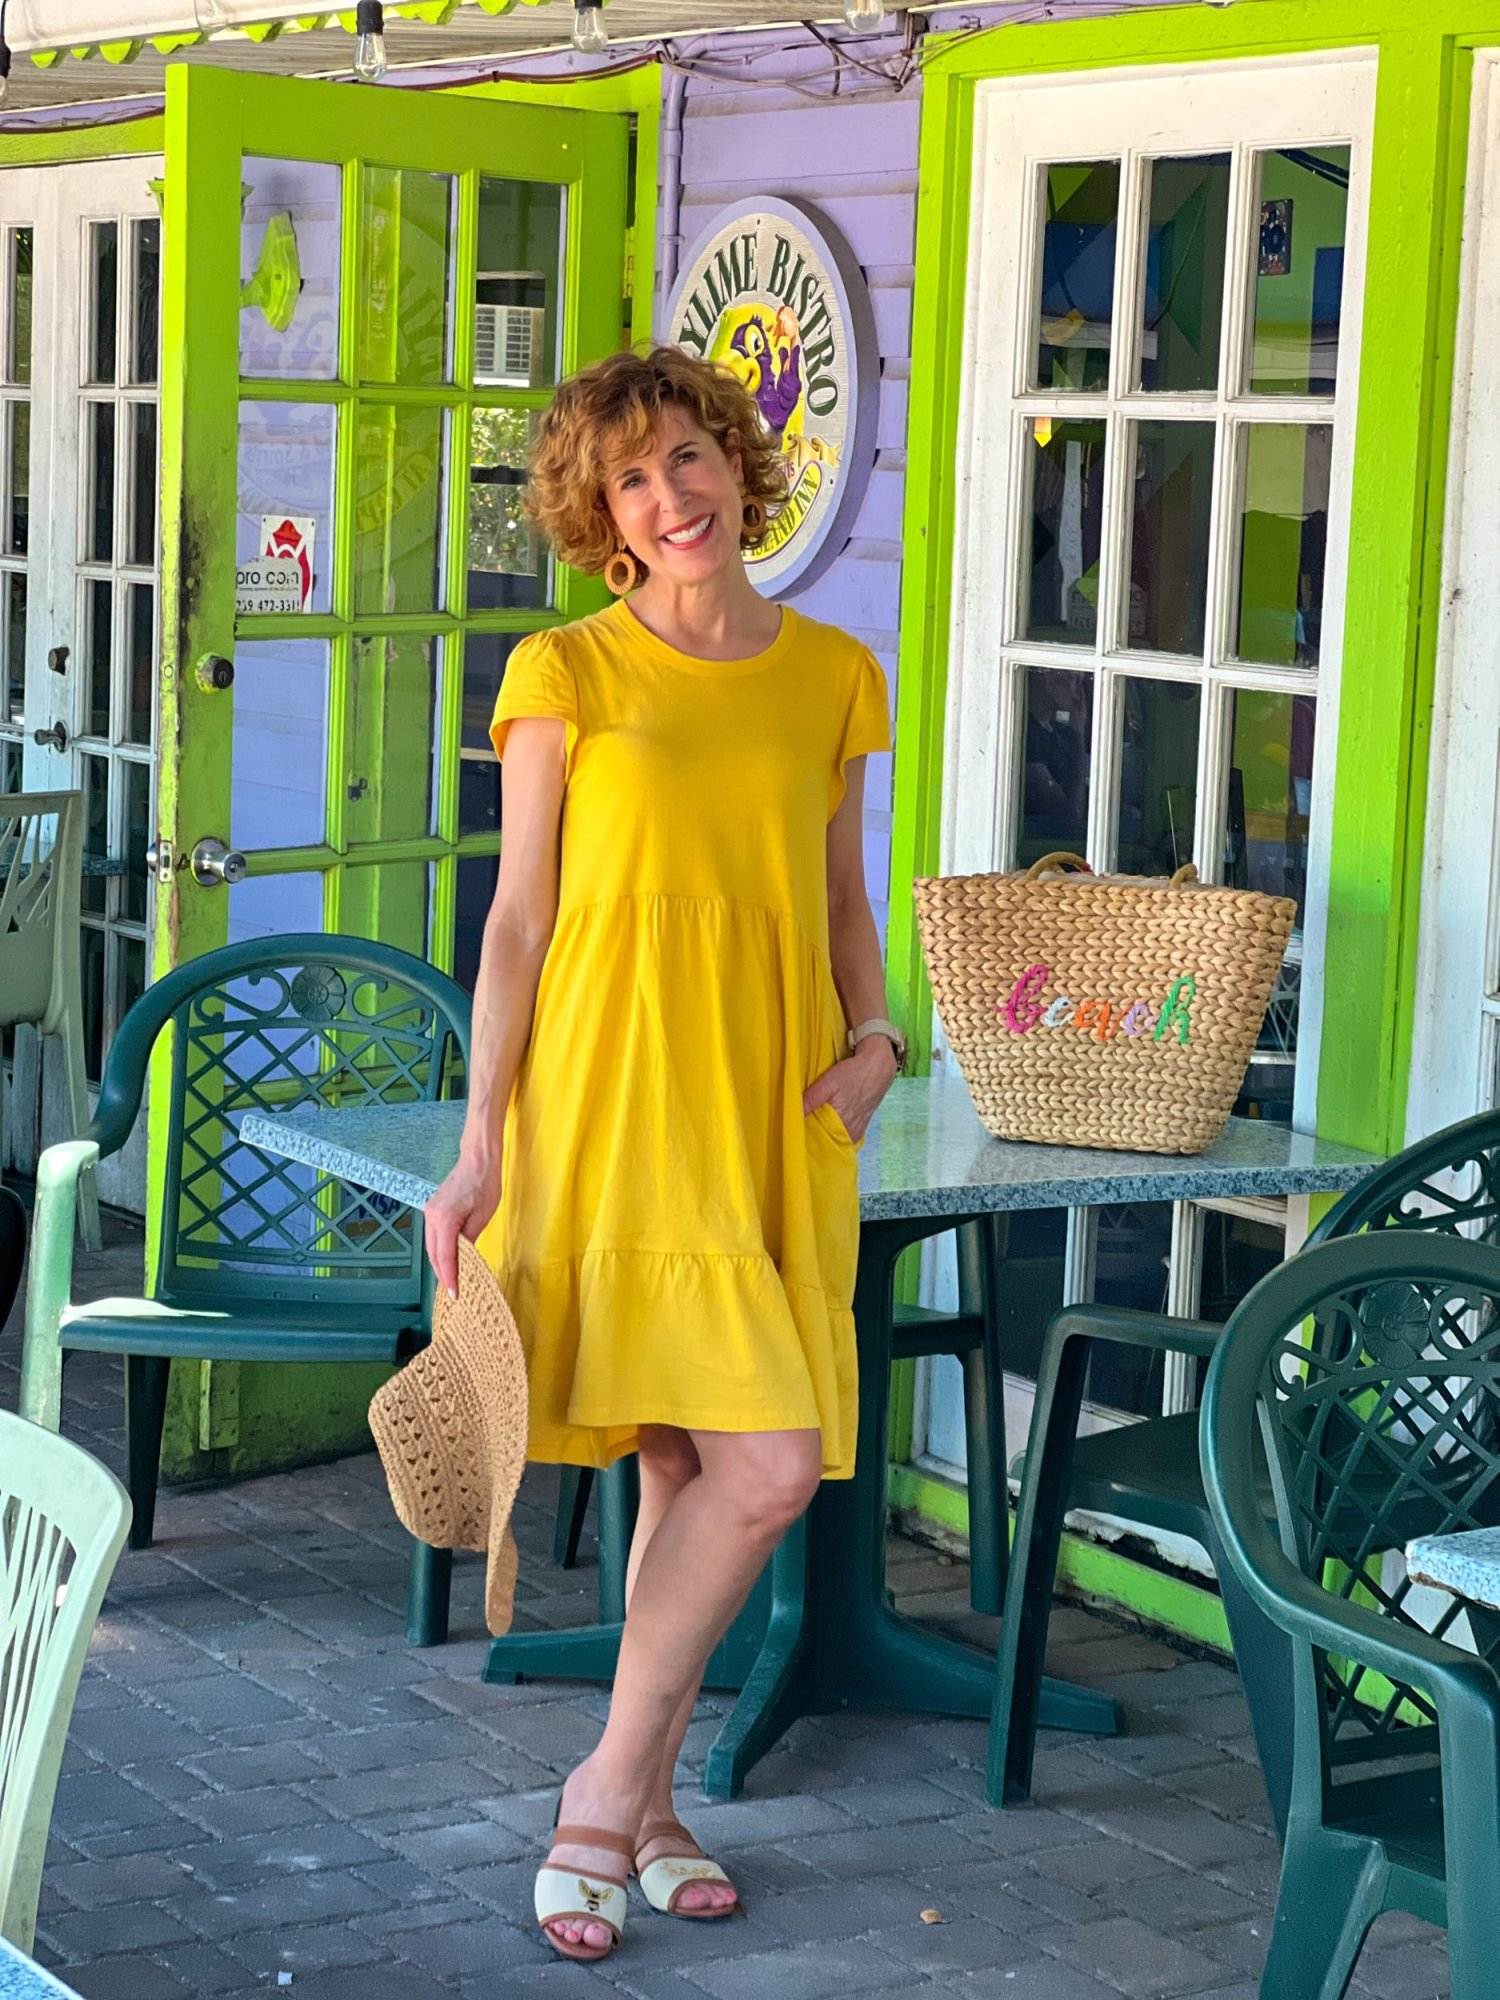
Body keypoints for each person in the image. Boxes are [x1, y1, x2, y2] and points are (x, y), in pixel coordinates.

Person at [423, 344, 903, 1964]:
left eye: (689, 458)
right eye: (631, 477)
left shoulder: (832, 669)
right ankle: (628, 1790)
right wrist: (481, 1141)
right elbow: (519, 920)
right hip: (615, 1098)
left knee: (718, 1467)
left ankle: (625, 1798)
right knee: (731, 1464)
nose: (671, 496)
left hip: (769, 1102)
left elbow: (841, 889)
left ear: (737, 464)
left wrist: (878, 1043)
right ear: (597, 509)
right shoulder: (567, 672)